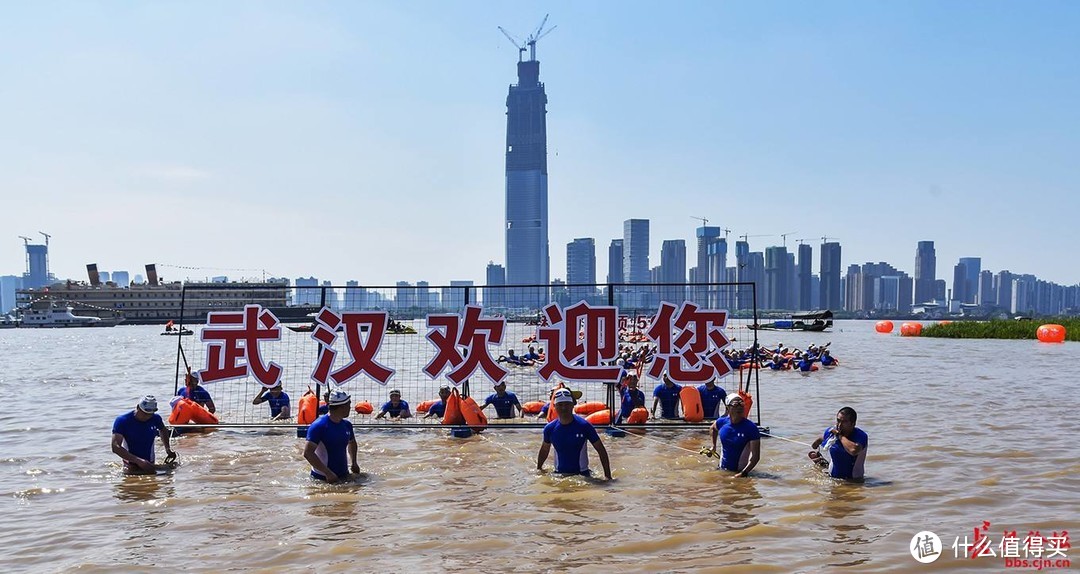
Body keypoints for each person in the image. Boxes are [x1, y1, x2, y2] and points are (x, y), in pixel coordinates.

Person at [536, 389, 613, 480]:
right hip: (559, 476)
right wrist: (539, 469)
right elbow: (544, 450)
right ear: (555, 406)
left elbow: (601, 450)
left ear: (572, 405)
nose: (564, 408)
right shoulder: (550, 428)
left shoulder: (584, 426)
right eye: (560, 405)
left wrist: (608, 477)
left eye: (567, 404)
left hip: (583, 476)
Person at [303, 390, 360, 483]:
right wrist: (327, 473)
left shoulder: (347, 425)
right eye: (349, 404)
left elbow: (352, 442)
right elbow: (308, 453)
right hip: (322, 479)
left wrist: (354, 462)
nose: (350, 407)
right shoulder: (319, 426)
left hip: (344, 475)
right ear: (342, 407)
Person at [112, 395, 176, 474]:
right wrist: (138, 461)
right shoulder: (122, 421)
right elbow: (115, 447)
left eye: (151, 414)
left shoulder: (155, 418)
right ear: (138, 407)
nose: (148, 417)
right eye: (145, 413)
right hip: (131, 465)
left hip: (150, 463)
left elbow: (163, 429)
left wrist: (167, 448)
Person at [810, 406, 868, 482]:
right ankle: (822, 463)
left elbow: (853, 450)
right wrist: (816, 443)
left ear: (853, 424)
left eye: (844, 422)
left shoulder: (860, 436)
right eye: (838, 421)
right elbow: (821, 440)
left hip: (853, 482)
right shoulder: (832, 432)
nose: (839, 425)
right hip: (832, 479)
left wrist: (839, 436)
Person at [708, 394, 760, 477]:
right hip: (722, 470)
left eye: (742, 404)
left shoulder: (751, 428)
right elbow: (712, 428)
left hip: (740, 473)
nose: (739, 407)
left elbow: (755, 457)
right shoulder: (721, 422)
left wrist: (743, 473)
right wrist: (713, 446)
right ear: (728, 408)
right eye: (736, 404)